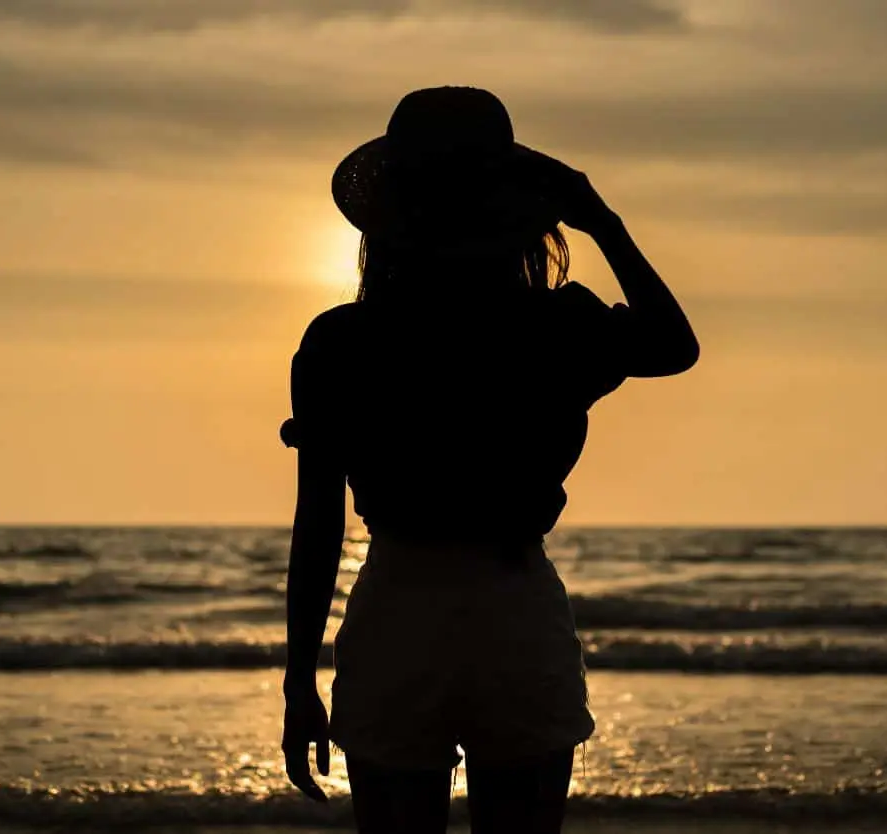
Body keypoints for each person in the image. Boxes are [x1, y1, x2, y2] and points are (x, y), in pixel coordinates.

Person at [279, 86, 699, 834]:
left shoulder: (344, 340)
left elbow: (318, 522)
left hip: (397, 610)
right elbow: (674, 346)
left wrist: (299, 681)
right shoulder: (554, 326)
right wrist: (602, 221)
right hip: (513, 606)